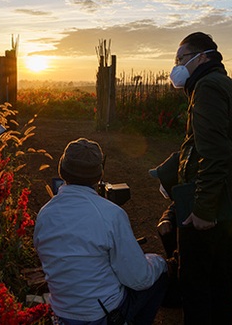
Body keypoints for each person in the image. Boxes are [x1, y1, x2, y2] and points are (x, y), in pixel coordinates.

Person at [165, 32, 232, 324]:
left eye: (181, 59)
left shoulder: (207, 88)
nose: (176, 66)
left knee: (196, 283)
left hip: (205, 205)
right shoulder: (224, 86)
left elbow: (214, 154)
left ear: (202, 57)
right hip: (221, 199)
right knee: (217, 281)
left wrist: (202, 209)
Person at [34, 138, 168, 325]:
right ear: (98, 176)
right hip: (99, 316)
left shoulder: (44, 213)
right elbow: (140, 279)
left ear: (62, 171)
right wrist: (160, 262)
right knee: (158, 276)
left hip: (62, 313)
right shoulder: (110, 214)